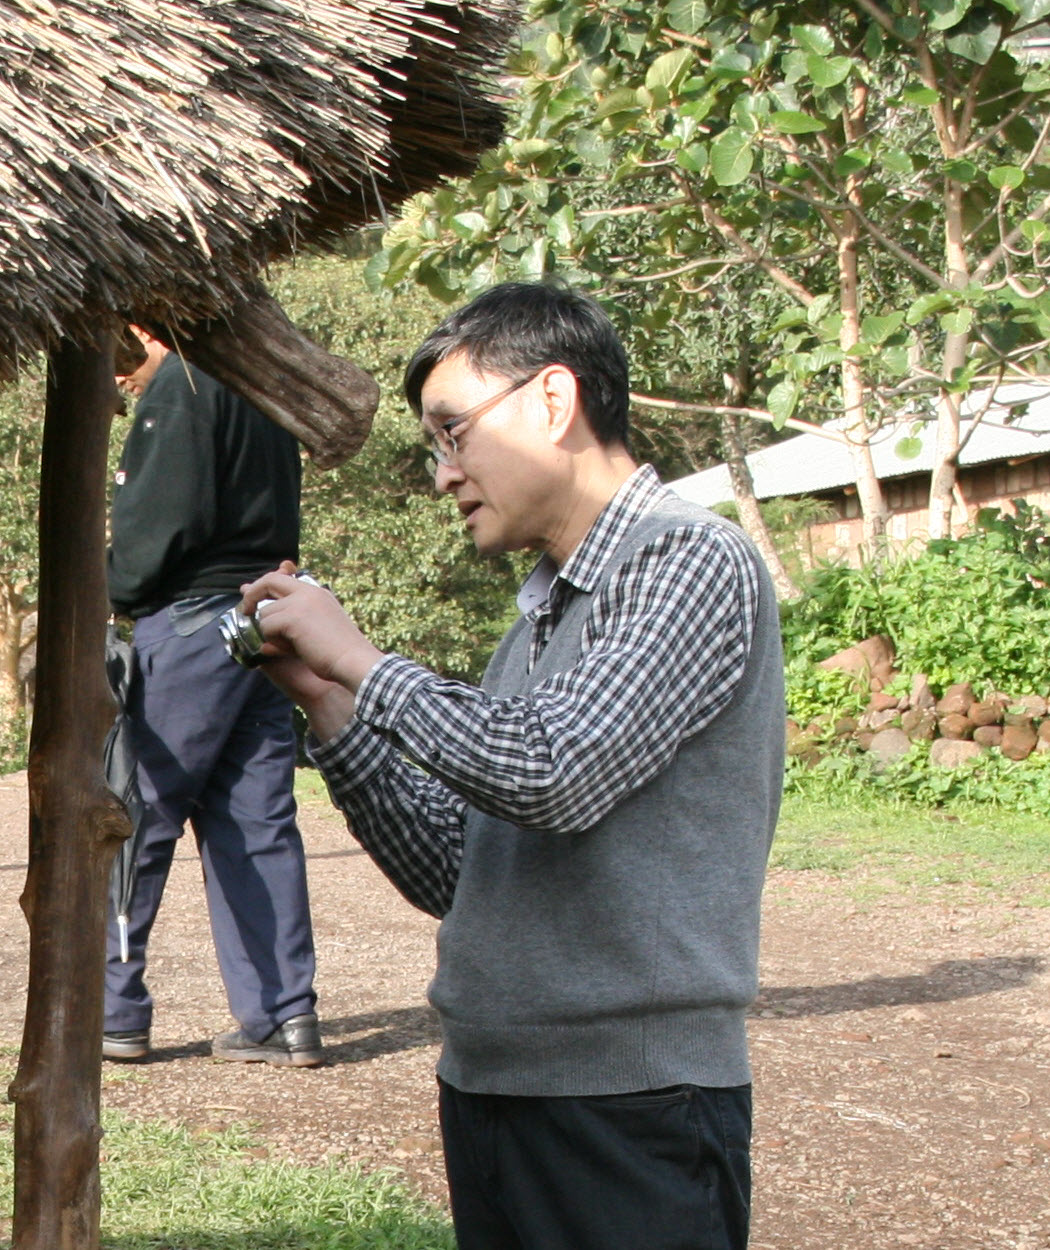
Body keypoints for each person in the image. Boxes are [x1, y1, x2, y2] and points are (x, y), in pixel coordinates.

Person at [239, 281, 784, 1246]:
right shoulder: (536, 626)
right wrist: (327, 702)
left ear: (552, 400)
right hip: (497, 1087)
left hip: (633, 1104)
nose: (444, 473)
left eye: (454, 432)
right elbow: (460, 872)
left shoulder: (693, 559)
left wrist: (362, 661)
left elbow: (553, 772)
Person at [102, 325, 323, 1068]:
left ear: (143, 326)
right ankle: (283, 1016)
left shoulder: (183, 383)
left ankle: (114, 1010)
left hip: (191, 628)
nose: (121, 383)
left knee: (133, 816)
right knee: (256, 822)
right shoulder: (259, 384)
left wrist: (112, 590)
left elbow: (161, 523)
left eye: (118, 358)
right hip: (258, 621)